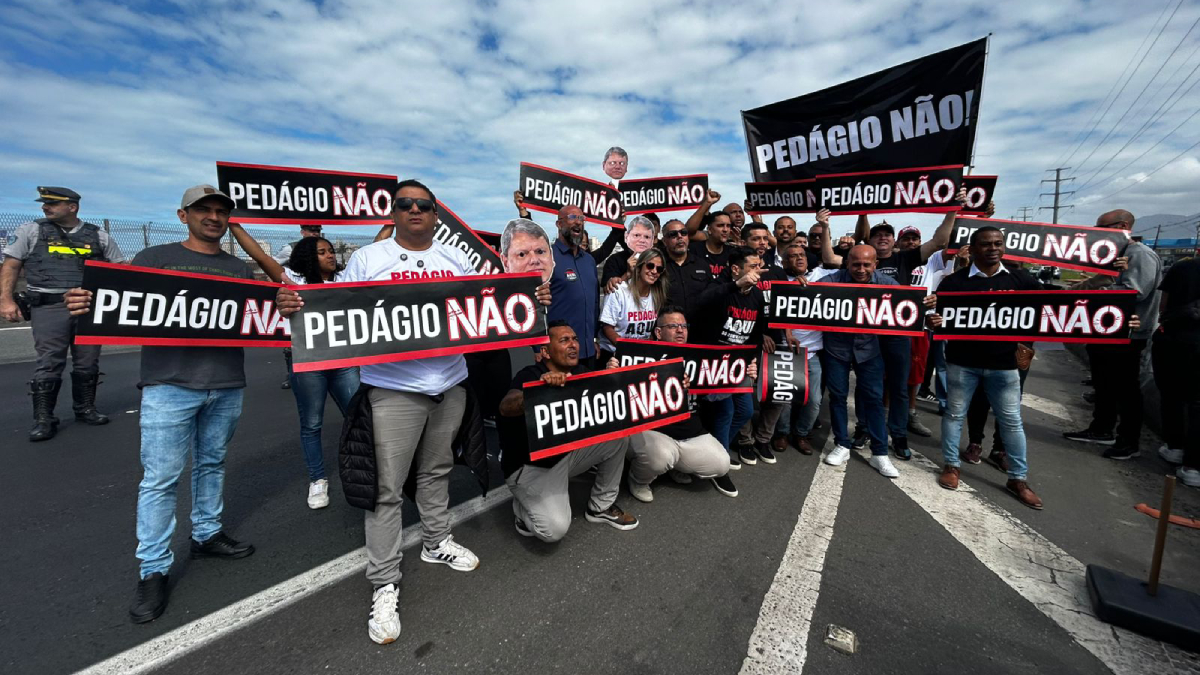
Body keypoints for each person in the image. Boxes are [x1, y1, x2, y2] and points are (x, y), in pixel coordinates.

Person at [277, 179, 550, 645]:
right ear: (394, 211)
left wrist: (530, 302)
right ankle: (384, 582)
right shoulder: (369, 260)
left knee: (437, 470)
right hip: (392, 387)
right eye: (406, 204)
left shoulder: (455, 259)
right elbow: (332, 311)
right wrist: (293, 308)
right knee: (386, 489)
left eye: (424, 204)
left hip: (449, 382)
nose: (416, 210)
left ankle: (435, 541)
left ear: (435, 213)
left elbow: (491, 306)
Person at [65, 185, 255, 624]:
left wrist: (283, 307)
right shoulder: (154, 259)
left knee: (212, 463)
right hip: (168, 384)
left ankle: (207, 533)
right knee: (161, 479)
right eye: (202, 210)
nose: (212, 217)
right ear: (182, 215)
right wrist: (86, 302)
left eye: (220, 211)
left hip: (227, 382)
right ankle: (153, 569)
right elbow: (118, 302)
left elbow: (259, 317)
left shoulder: (239, 268)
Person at [925, 226, 1125, 509]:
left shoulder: (1021, 279)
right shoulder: (954, 283)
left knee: (1011, 421)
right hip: (962, 363)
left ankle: (1018, 478)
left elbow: (1062, 304)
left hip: (1005, 365)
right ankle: (951, 465)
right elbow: (937, 317)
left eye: (998, 243)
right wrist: (934, 319)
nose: (993, 248)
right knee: (955, 415)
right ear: (973, 248)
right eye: (986, 244)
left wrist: (1115, 307)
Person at [227, 224, 358, 510]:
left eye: (331, 251)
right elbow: (262, 258)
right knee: (312, 424)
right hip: (309, 364)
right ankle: (317, 479)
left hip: (345, 363)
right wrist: (234, 225)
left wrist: (388, 221)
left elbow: (378, 242)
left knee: (358, 417)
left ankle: (362, 467)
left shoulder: (346, 278)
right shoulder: (295, 280)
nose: (330, 256)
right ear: (309, 258)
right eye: (322, 252)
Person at [1, 186, 125, 441]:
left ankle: (85, 408)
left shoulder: (99, 236)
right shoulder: (31, 231)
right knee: (49, 361)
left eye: (52, 203)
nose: (45, 207)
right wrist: (5, 300)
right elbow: (11, 264)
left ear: (72, 207)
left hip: (88, 307)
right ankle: (44, 418)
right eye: (44, 203)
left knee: (88, 361)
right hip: (49, 305)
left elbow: (121, 268)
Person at [498, 321, 639, 541]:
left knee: (618, 438)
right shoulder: (530, 374)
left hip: (566, 456)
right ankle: (522, 510)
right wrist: (538, 392)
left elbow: (613, 401)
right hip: (531, 467)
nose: (573, 345)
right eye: (564, 340)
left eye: (574, 339)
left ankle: (600, 507)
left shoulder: (581, 371)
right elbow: (506, 407)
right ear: (544, 351)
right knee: (554, 531)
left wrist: (615, 378)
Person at [849, 197, 963, 460]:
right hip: (869, 334)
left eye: (887, 234)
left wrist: (952, 209)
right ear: (870, 241)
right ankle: (863, 428)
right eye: (877, 235)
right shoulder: (861, 263)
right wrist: (862, 213)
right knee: (868, 386)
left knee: (900, 387)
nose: (883, 238)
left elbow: (940, 242)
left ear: (894, 241)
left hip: (899, 333)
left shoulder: (906, 259)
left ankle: (898, 435)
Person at [1063, 209, 1162, 460]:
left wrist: (1103, 282)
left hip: (1127, 333)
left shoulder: (1140, 254)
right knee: (1104, 383)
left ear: (1123, 225)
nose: (1099, 232)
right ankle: (1101, 429)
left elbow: (1133, 293)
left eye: (1103, 226)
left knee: (1126, 388)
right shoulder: (1115, 255)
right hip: (1104, 331)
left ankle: (1128, 442)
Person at [622, 307, 739, 500]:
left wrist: (742, 376)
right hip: (653, 432)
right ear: (658, 333)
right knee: (661, 456)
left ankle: (676, 466)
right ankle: (638, 479)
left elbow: (716, 395)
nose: (680, 330)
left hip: (690, 433)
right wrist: (613, 371)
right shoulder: (639, 356)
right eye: (673, 326)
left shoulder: (698, 357)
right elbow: (624, 397)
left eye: (684, 326)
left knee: (721, 463)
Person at [817, 245, 902, 478]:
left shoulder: (889, 285)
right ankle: (842, 444)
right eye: (856, 264)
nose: (861, 269)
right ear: (847, 263)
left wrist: (926, 304)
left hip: (869, 349)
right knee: (837, 397)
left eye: (867, 265)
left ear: (875, 264)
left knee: (874, 399)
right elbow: (807, 300)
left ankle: (880, 453)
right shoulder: (831, 281)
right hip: (837, 348)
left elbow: (909, 304)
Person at [695, 247, 775, 467]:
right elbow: (701, 302)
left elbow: (756, 333)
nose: (758, 271)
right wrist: (736, 286)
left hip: (740, 364)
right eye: (753, 267)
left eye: (760, 266)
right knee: (725, 410)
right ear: (735, 269)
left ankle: (715, 449)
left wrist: (753, 360)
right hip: (715, 363)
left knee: (746, 410)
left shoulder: (757, 295)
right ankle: (719, 461)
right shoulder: (720, 288)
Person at [774, 242, 828, 456]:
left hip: (812, 352)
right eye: (792, 256)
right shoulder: (776, 280)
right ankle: (782, 433)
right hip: (784, 350)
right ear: (784, 261)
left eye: (801, 255)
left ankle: (802, 434)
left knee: (814, 401)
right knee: (784, 399)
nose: (798, 258)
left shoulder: (821, 278)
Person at [1153, 254, 1200, 487]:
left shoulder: (1183, 268)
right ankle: (1193, 467)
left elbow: (1164, 305)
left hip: (1175, 339)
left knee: (1171, 394)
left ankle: (1174, 447)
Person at [599, 248, 668, 361]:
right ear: (639, 267)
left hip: (640, 356)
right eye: (650, 266)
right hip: (613, 355)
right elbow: (607, 327)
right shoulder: (619, 291)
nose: (654, 271)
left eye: (659, 269)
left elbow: (649, 332)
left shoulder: (657, 295)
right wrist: (627, 349)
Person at [601, 215, 657, 292]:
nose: (641, 240)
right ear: (627, 237)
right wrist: (628, 274)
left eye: (646, 237)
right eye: (636, 235)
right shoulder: (614, 260)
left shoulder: (657, 260)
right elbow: (607, 291)